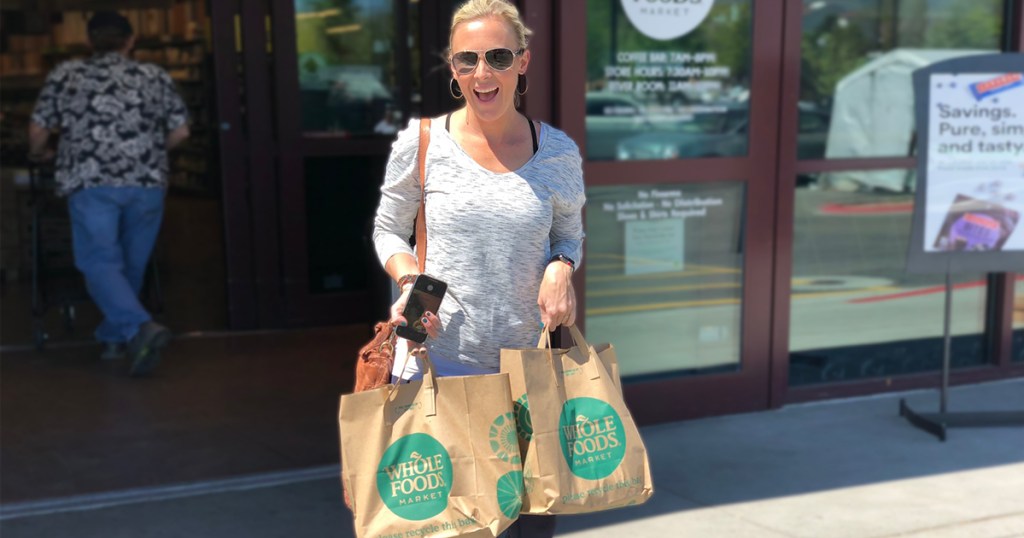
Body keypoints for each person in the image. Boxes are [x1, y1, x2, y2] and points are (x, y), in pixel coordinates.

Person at [372, 1, 584, 535]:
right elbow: (388, 230)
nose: (482, 73)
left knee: (530, 522)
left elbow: (569, 233)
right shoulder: (421, 144)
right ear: (453, 68)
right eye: (467, 60)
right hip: (439, 365)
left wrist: (562, 266)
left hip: (528, 370)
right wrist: (407, 280)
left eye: (497, 56)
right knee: (450, 525)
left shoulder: (555, 150)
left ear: (523, 62)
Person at [29, 11, 189, 377]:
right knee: (130, 265)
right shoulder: (153, 75)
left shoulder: (67, 74)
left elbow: (38, 127)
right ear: (130, 41)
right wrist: (147, 153)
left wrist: (40, 153)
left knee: (100, 263)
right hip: (147, 183)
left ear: (89, 42)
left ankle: (138, 328)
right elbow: (180, 133)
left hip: (91, 182)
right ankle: (115, 338)